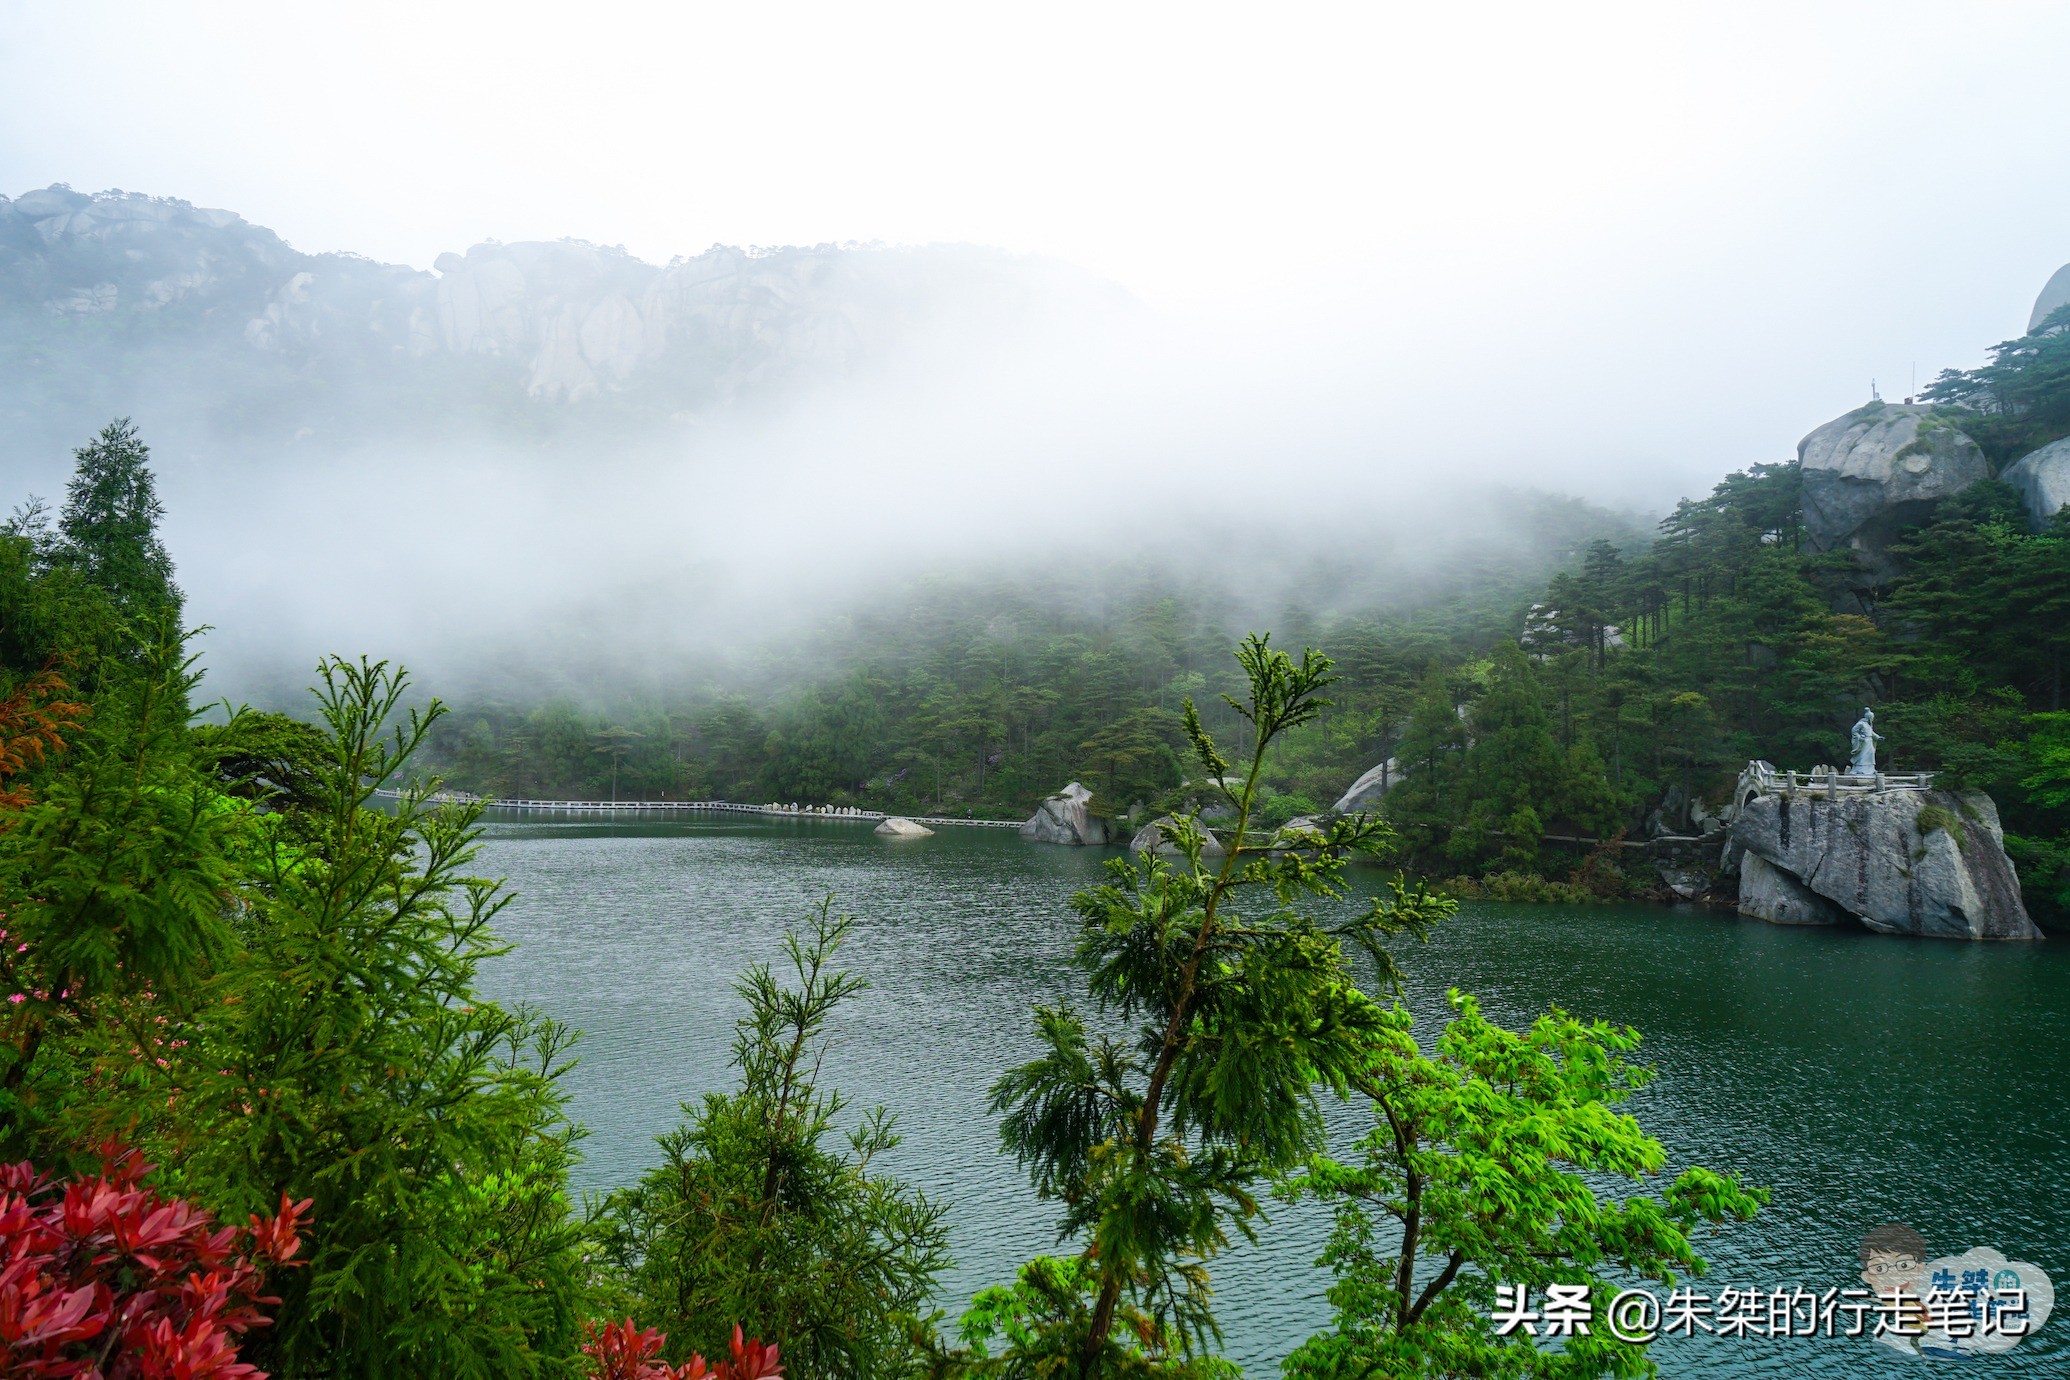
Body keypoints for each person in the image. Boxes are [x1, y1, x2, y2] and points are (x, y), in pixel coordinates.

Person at [1848, 707, 1883, 777]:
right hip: (1864, 742)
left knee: (1870, 755)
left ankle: (1870, 769)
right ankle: (1860, 769)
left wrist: (1878, 737)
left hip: (1870, 742)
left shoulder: (1868, 725)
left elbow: (1871, 733)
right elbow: (1854, 730)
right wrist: (1859, 737)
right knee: (1863, 756)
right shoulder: (1861, 723)